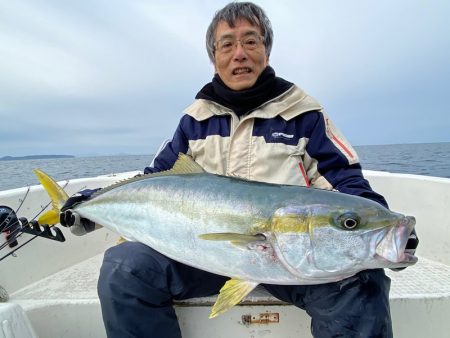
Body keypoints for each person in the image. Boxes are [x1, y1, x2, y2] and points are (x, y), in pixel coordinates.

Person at [59, 2, 418, 337]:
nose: (240, 53)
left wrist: (379, 226)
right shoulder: (193, 121)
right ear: (214, 58)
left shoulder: (304, 115)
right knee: (124, 268)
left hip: (293, 262)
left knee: (364, 282)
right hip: (201, 256)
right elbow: (152, 179)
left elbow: (346, 180)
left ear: (266, 50)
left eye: (250, 41)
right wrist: (88, 204)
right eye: (227, 44)